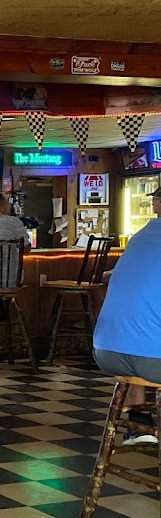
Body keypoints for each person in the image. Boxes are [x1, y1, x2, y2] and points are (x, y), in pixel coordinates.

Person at [93, 186, 161, 445]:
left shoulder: (140, 236)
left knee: (144, 330)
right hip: (153, 361)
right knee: (149, 335)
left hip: (107, 352)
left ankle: (139, 426)